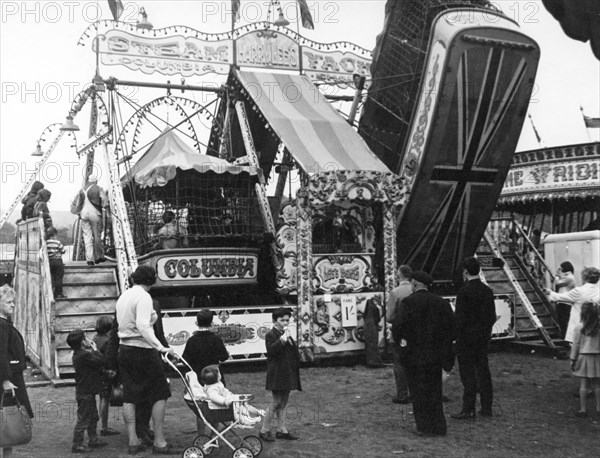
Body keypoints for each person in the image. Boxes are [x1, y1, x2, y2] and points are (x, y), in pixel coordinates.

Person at [115, 265, 179, 455]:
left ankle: (133, 440)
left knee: (130, 395)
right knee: (160, 393)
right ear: (152, 280)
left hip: (124, 348)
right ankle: (159, 441)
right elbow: (143, 326)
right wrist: (160, 347)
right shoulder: (144, 297)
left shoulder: (123, 296)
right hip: (143, 350)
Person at [392, 271, 455, 437]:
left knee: (418, 393)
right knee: (435, 391)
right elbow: (451, 328)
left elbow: (398, 327)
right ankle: (439, 426)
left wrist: (401, 344)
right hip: (435, 355)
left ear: (415, 284)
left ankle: (424, 426)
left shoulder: (408, 303)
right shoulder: (441, 303)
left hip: (414, 355)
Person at [451, 257, 497, 420]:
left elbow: (460, 318)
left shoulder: (464, 292)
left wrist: (457, 336)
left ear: (465, 272)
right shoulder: (487, 291)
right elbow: (491, 316)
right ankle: (486, 406)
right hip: (482, 337)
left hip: (466, 338)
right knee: (483, 371)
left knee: (468, 374)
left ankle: (468, 408)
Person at [182, 308, 230, 435]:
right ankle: (215, 434)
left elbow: (186, 359)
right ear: (211, 323)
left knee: (200, 408)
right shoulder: (216, 339)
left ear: (196, 323)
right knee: (216, 406)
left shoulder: (192, 340)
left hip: (199, 379)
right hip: (216, 377)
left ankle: (201, 435)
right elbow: (224, 357)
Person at [0, 285, 34, 458]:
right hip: (8, 380)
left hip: (10, 377)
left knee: (7, 427)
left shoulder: (5, 323)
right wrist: (5, 379)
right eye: (8, 302)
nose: (12, 305)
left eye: (13, 301)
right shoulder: (2, 325)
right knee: (8, 423)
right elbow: (1, 353)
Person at [259, 307, 301, 442]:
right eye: (282, 320)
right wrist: (282, 340)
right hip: (277, 373)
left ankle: (282, 429)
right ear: (274, 321)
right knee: (276, 402)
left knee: (283, 402)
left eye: (287, 320)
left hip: (287, 372)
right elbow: (270, 351)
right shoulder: (271, 334)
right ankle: (264, 430)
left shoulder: (287, 334)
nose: (285, 323)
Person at [67, 328, 108, 453]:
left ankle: (93, 439)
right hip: (86, 393)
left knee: (92, 417)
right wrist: (95, 349)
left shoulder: (78, 354)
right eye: (86, 338)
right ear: (82, 342)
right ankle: (77, 444)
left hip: (85, 391)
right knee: (84, 419)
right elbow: (102, 361)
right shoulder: (85, 355)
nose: (88, 340)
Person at [545, 267, 600, 344]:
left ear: (584, 278)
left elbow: (560, 297)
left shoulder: (579, 291)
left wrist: (550, 292)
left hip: (579, 326)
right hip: (595, 326)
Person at [386, 264, 413, 404]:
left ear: (400, 275)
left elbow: (390, 317)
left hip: (400, 333)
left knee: (399, 363)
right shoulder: (415, 290)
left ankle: (402, 394)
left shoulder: (395, 292)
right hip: (415, 333)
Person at [570, 301, 600, 417]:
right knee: (597, 385)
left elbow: (576, 345)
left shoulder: (579, 327)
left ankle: (583, 410)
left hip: (583, 357)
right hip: (598, 357)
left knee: (583, 385)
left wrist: (573, 359)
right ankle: (599, 408)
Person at [92, 316, 119, 437]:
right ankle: (104, 427)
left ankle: (103, 425)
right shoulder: (107, 341)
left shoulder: (96, 338)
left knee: (102, 399)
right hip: (105, 372)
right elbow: (109, 358)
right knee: (105, 399)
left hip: (97, 372)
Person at [79, 174, 108, 266]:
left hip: (83, 214)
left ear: (89, 180)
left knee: (87, 236)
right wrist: (106, 209)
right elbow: (104, 201)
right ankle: (99, 257)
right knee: (97, 236)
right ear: (96, 181)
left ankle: (90, 259)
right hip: (95, 214)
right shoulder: (99, 188)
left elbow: (78, 202)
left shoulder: (82, 189)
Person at [554, 261, 577, 339]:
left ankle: (566, 339)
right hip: (562, 302)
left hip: (565, 303)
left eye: (561, 268)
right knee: (562, 321)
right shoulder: (567, 276)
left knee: (564, 322)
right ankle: (565, 338)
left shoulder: (569, 277)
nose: (560, 269)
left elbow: (557, 283)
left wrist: (557, 275)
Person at [45, 227, 67, 299]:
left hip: (50, 262)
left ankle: (51, 293)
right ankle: (58, 293)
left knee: (53, 277)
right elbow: (63, 251)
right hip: (58, 262)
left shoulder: (46, 243)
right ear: (54, 235)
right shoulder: (57, 242)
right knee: (59, 277)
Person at [363, 297, 385, 368]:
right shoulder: (376, 307)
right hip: (372, 326)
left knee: (371, 343)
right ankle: (375, 361)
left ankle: (372, 361)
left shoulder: (370, 306)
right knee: (373, 342)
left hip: (370, 325)